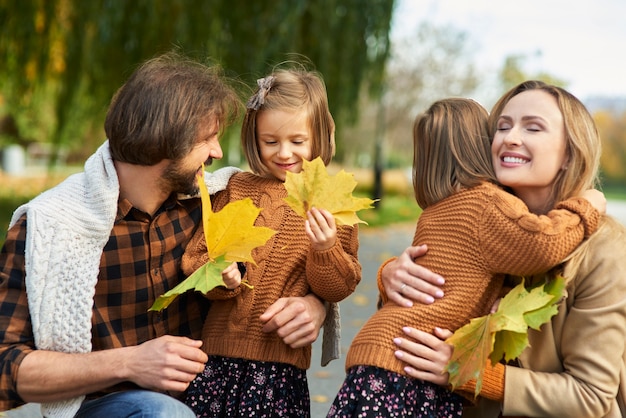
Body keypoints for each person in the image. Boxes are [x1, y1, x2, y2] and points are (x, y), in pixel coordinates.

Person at [0, 52, 330, 418]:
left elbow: (291, 256)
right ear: (165, 142)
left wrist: (315, 305)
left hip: (212, 397)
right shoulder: (51, 228)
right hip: (109, 406)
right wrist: (128, 363)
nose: (218, 152)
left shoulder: (216, 201)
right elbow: (6, 367)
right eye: (207, 138)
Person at [327, 97, 605, 417]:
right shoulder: (487, 205)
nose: (510, 138)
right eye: (500, 128)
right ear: (482, 146)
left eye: (531, 127)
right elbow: (543, 244)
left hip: (378, 361)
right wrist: (586, 208)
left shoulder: (434, 212)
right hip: (409, 375)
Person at [181, 68, 362, 417]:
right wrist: (223, 276)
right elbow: (197, 257)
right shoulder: (236, 189)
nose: (284, 153)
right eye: (271, 141)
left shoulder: (331, 202)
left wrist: (325, 249)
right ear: (254, 137)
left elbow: (339, 286)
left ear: (320, 137)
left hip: (280, 372)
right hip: (216, 362)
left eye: (298, 141)